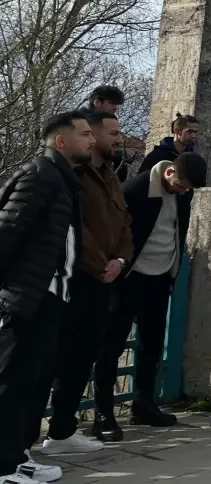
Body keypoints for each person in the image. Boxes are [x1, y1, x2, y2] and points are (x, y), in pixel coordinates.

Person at [0, 112, 90, 484]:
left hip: (51, 299)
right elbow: (7, 232)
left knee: (32, 385)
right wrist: (12, 296)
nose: (91, 139)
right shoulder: (40, 175)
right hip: (28, 298)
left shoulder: (63, 180)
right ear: (60, 141)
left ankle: (17, 456)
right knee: (12, 383)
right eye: (84, 134)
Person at [96, 150, 207, 431]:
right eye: (181, 185)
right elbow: (113, 229)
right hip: (129, 276)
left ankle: (144, 405)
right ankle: (103, 412)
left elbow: (177, 229)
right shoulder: (136, 189)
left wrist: (173, 268)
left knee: (152, 344)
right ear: (170, 173)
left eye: (188, 189)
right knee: (112, 345)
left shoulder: (184, 193)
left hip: (161, 275)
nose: (183, 191)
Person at [43, 111, 133, 454]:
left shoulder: (111, 176)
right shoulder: (72, 176)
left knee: (82, 358)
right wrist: (100, 265)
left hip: (105, 282)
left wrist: (121, 262)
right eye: (112, 132)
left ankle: (62, 432)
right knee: (54, 360)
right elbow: (75, 230)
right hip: (77, 280)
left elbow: (124, 223)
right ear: (91, 135)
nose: (118, 138)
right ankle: (21, 441)